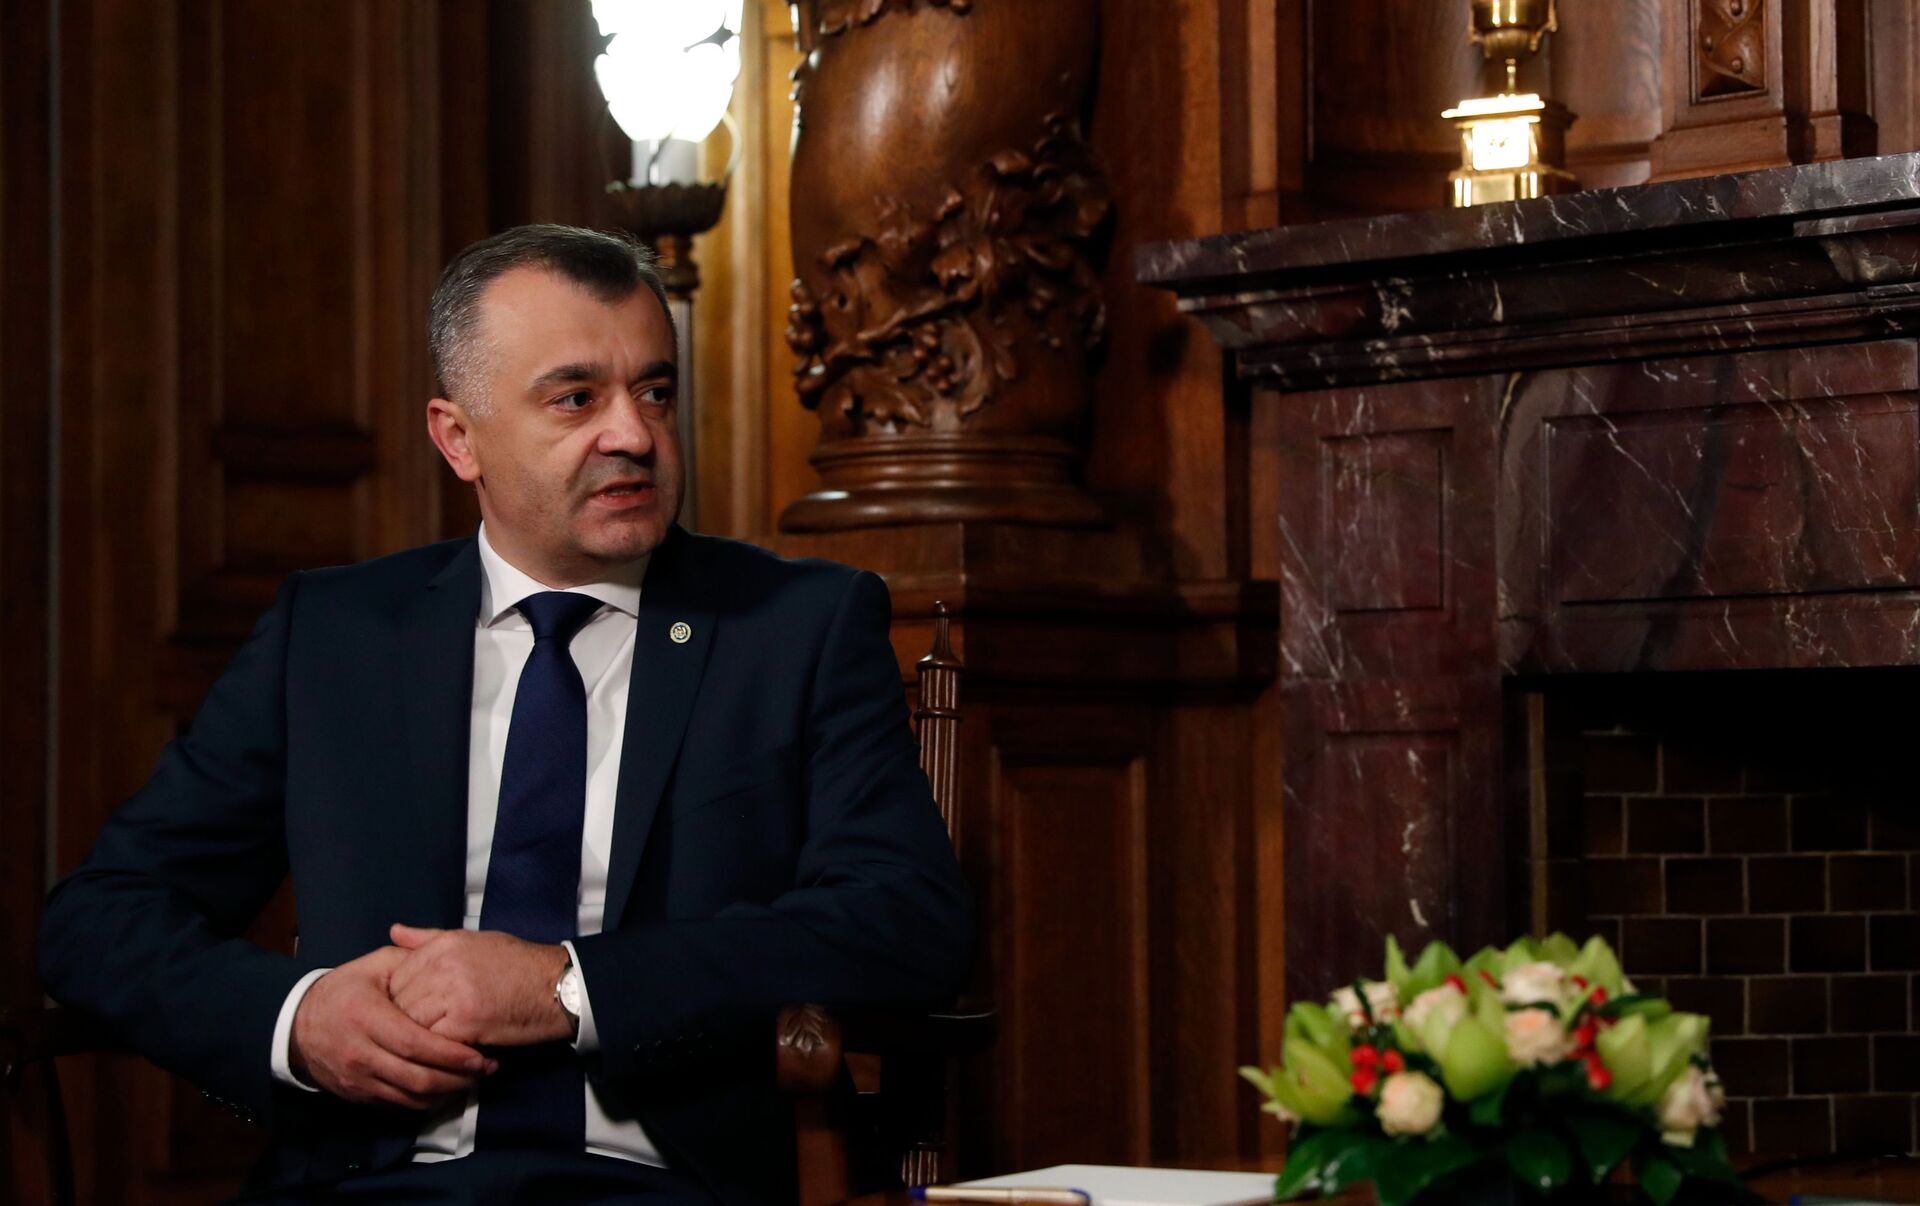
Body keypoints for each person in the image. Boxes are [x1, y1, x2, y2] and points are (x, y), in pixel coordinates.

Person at [36, 224, 973, 1205]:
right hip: (373, 1181)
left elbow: (907, 919)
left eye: (655, 392)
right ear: (458, 438)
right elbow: (98, 916)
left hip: (664, 1184)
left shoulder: (796, 628)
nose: (633, 435)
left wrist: (569, 986)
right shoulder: (336, 636)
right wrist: (298, 1020)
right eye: (576, 398)